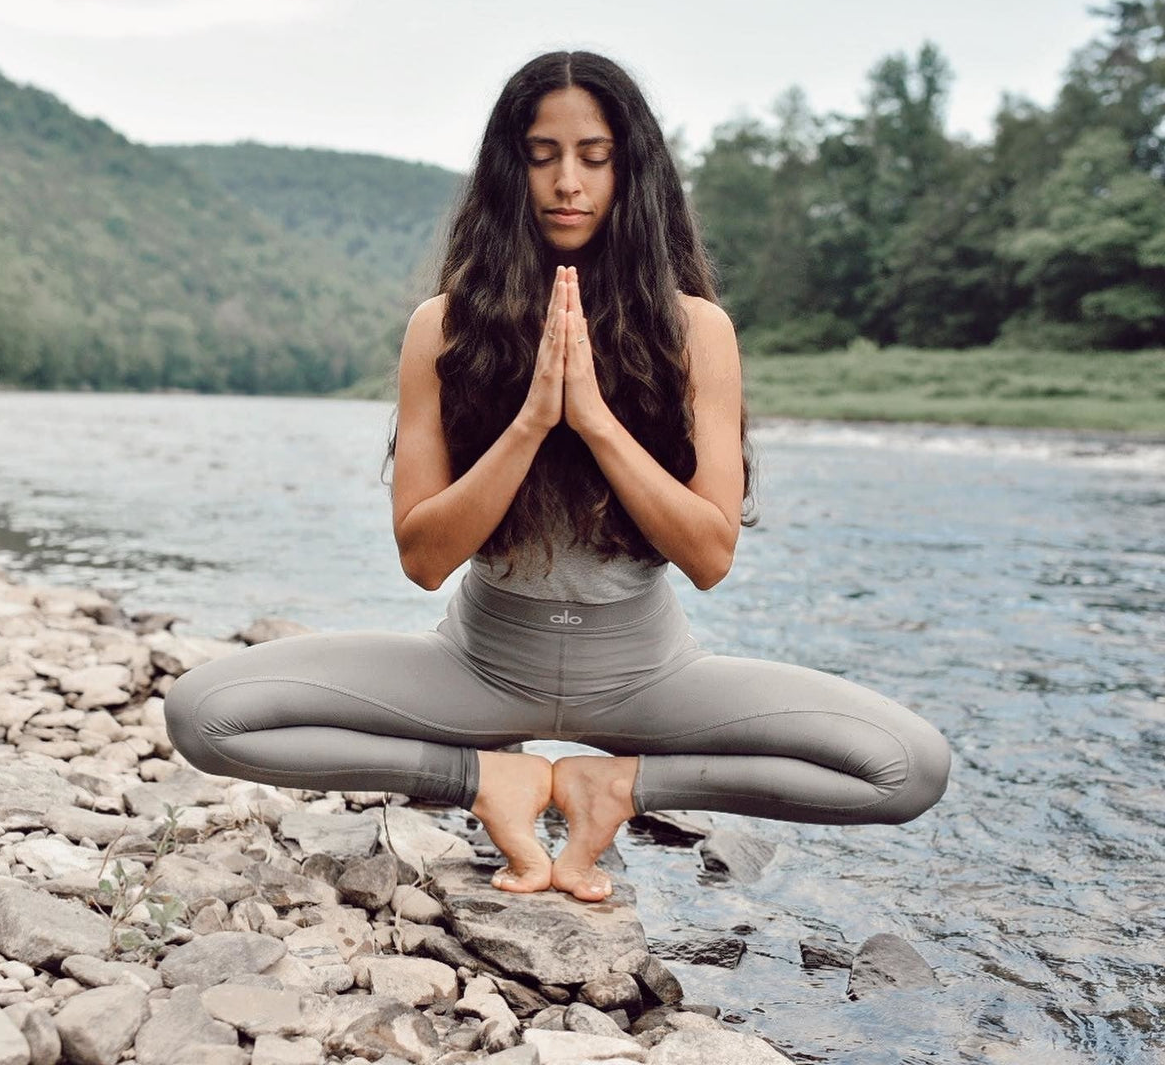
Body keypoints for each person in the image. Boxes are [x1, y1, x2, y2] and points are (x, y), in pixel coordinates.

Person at [163, 50, 951, 904]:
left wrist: (597, 420)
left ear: (631, 170)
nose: (566, 181)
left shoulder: (698, 332)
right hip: (478, 670)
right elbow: (424, 559)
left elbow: (710, 555)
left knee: (908, 768)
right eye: (542, 155)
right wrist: (533, 419)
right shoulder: (445, 327)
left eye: (594, 156)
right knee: (203, 714)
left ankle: (609, 786)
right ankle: (489, 780)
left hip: (649, 679)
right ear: (511, 168)